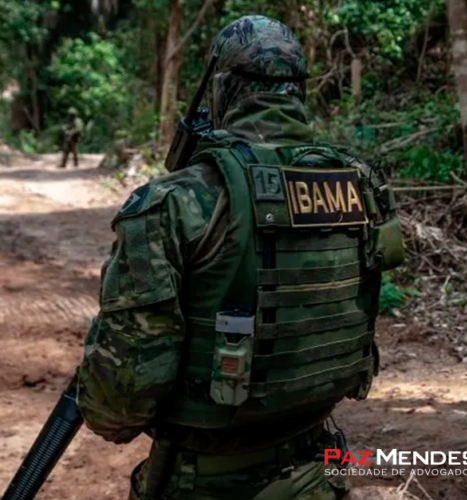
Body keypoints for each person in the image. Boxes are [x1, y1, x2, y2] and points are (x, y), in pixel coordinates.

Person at [76, 15, 405, 500]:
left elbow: (116, 409)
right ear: (297, 89)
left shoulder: (178, 201)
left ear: (222, 89)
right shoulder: (362, 185)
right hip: (318, 470)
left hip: (203, 482)